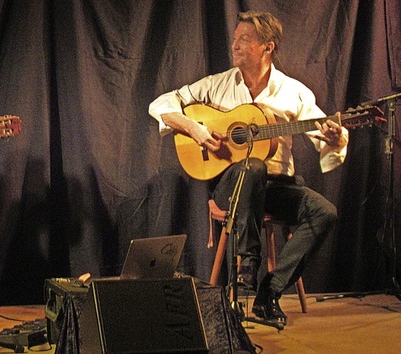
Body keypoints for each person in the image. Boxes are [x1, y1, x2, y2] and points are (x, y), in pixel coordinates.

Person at [149, 11, 348, 326]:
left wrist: (336, 137)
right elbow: (160, 104)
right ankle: (247, 268)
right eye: (235, 38)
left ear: (267, 48)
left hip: (278, 188)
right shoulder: (219, 85)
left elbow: (326, 137)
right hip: (233, 187)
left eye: (244, 39)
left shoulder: (293, 92)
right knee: (251, 166)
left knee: (326, 212)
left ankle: (269, 289)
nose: (234, 45)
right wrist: (193, 129)